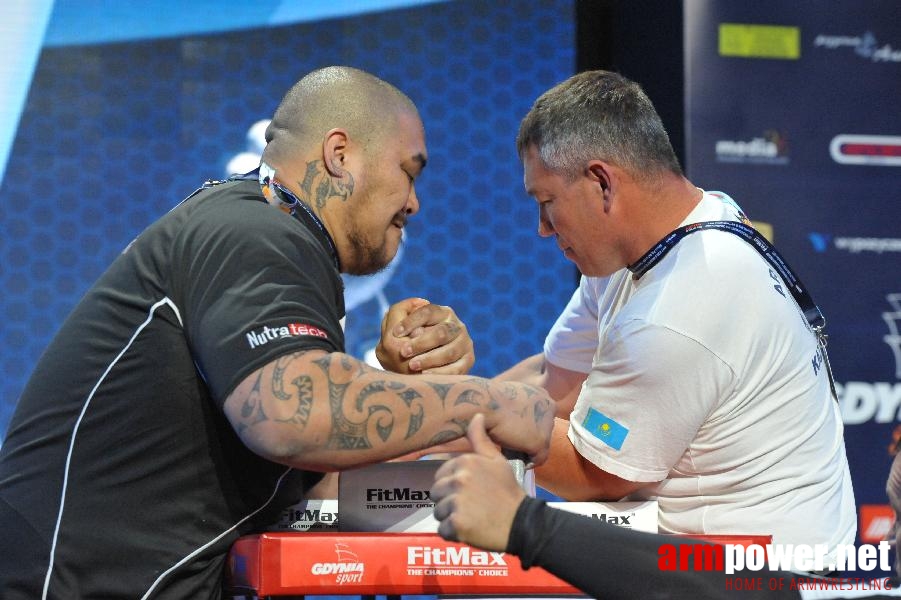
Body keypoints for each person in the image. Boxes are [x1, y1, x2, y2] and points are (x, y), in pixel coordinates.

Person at [0, 66, 554, 599]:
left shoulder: (266, 233)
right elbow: (291, 417)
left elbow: (318, 476)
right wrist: (492, 404)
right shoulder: (255, 231)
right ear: (340, 156)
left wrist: (392, 383)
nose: (414, 201)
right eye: (409, 171)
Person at [490, 69, 856, 560]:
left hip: (768, 584)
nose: (541, 228)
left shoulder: (679, 305)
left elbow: (595, 473)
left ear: (601, 182)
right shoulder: (679, 228)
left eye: (547, 202)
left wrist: (455, 410)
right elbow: (559, 382)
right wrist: (432, 408)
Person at [430, 414, 802, 600]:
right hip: (711, 570)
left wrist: (523, 523)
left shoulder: (673, 315)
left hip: (760, 561)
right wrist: (453, 398)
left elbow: (600, 475)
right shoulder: (607, 280)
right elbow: (552, 387)